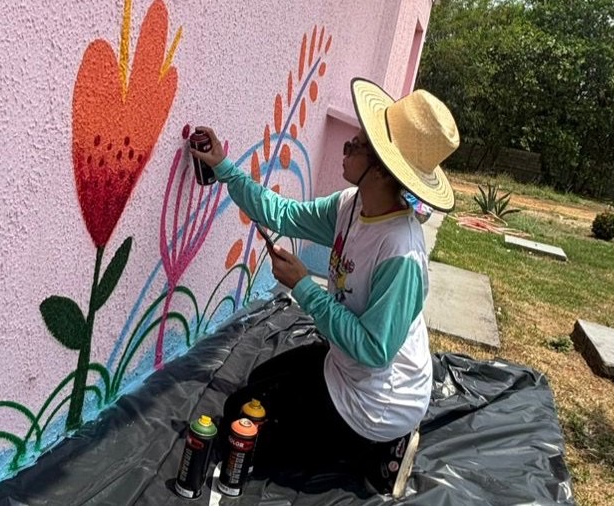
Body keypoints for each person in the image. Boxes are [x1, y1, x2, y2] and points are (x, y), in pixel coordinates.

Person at [190, 78, 460, 498]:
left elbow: (373, 349)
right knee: (257, 384)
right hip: (345, 366)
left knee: (248, 429)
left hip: (377, 401)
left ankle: (383, 447)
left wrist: (304, 287)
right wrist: (223, 167)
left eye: (359, 144)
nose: (347, 146)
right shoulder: (350, 206)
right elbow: (283, 214)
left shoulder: (400, 253)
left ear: (383, 168)